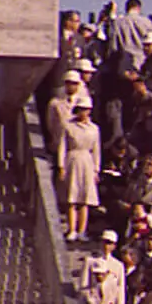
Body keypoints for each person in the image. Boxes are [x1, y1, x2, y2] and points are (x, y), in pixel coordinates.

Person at [58, 95, 101, 241]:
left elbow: (96, 150)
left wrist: (96, 169)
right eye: (81, 109)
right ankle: (72, 229)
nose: (84, 112)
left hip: (87, 161)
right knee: (72, 197)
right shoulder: (68, 126)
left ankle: (82, 230)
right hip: (72, 159)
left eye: (86, 109)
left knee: (85, 198)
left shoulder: (94, 129)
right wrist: (61, 166)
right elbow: (62, 147)